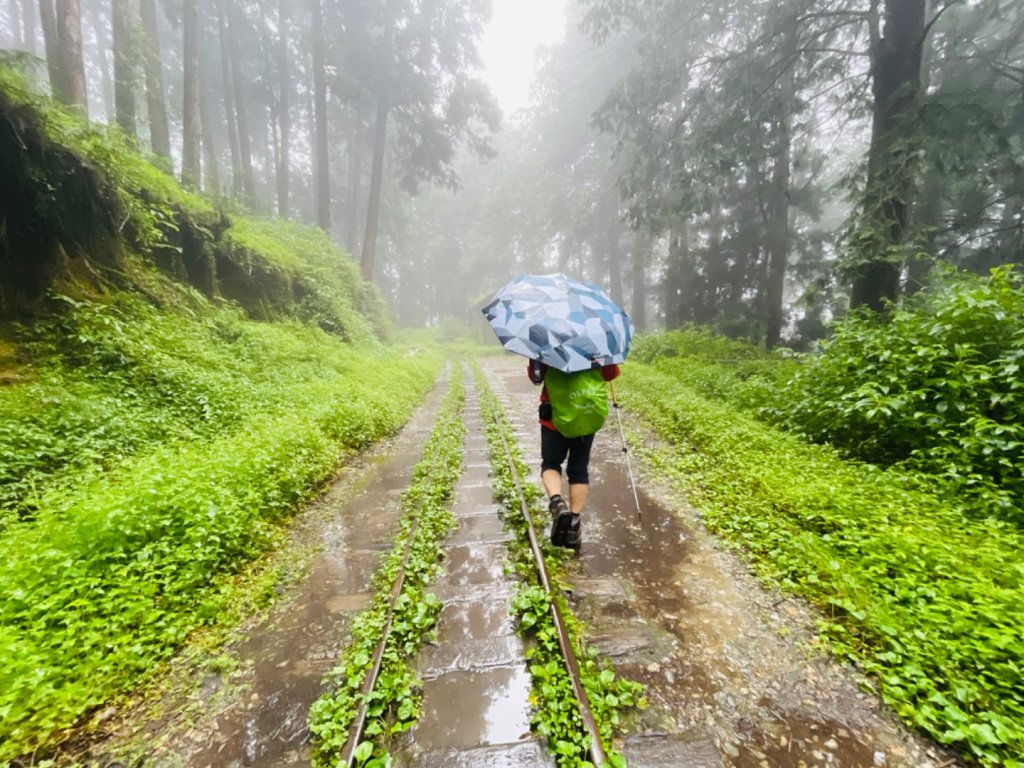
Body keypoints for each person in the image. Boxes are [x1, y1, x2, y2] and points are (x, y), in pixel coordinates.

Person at [528, 359, 620, 551]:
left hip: (554, 417)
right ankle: (574, 524)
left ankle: (557, 503)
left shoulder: (545, 341)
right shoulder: (596, 342)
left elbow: (535, 377)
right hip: (586, 414)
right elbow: (610, 374)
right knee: (578, 469)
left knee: (551, 464)